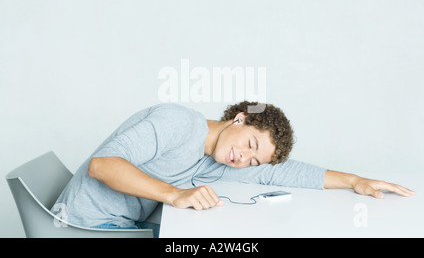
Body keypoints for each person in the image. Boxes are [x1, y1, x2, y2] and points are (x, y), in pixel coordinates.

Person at [51, 101, 415, 238]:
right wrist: (174, 194)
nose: (243, 158)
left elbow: (284, 173)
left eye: (253, 160)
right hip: (84, 227)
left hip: (125, 226)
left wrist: (355, 181)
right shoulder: (180, 122)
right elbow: (102, 166)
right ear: (238, 118)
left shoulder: (217, 161)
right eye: (250, 144)